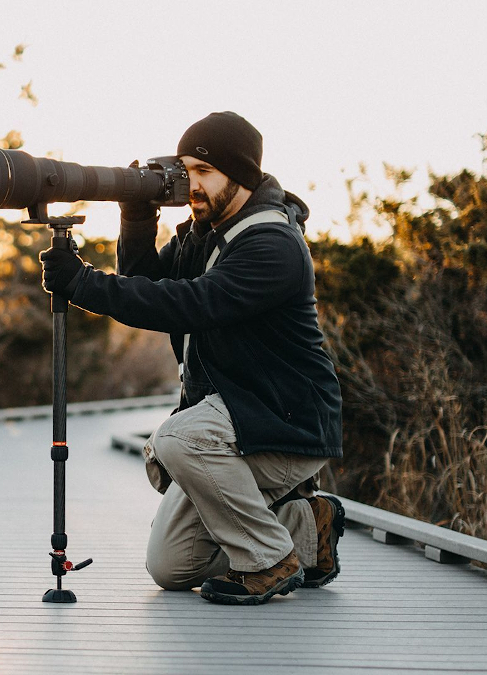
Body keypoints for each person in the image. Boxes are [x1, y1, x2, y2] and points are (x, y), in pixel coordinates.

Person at [39, 111, 345, 605]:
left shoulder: (273, 245)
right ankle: (304, 527)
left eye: (203, 172)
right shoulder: (199, 236)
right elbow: (152, 286)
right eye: (185, 170)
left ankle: (269, 559)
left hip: (288, 425)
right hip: (239, 422)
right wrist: (137, 216)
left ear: (240, 175)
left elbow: (191, 304)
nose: (190, 184)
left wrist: (83, 283)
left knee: (176, 439)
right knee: (171, 566)